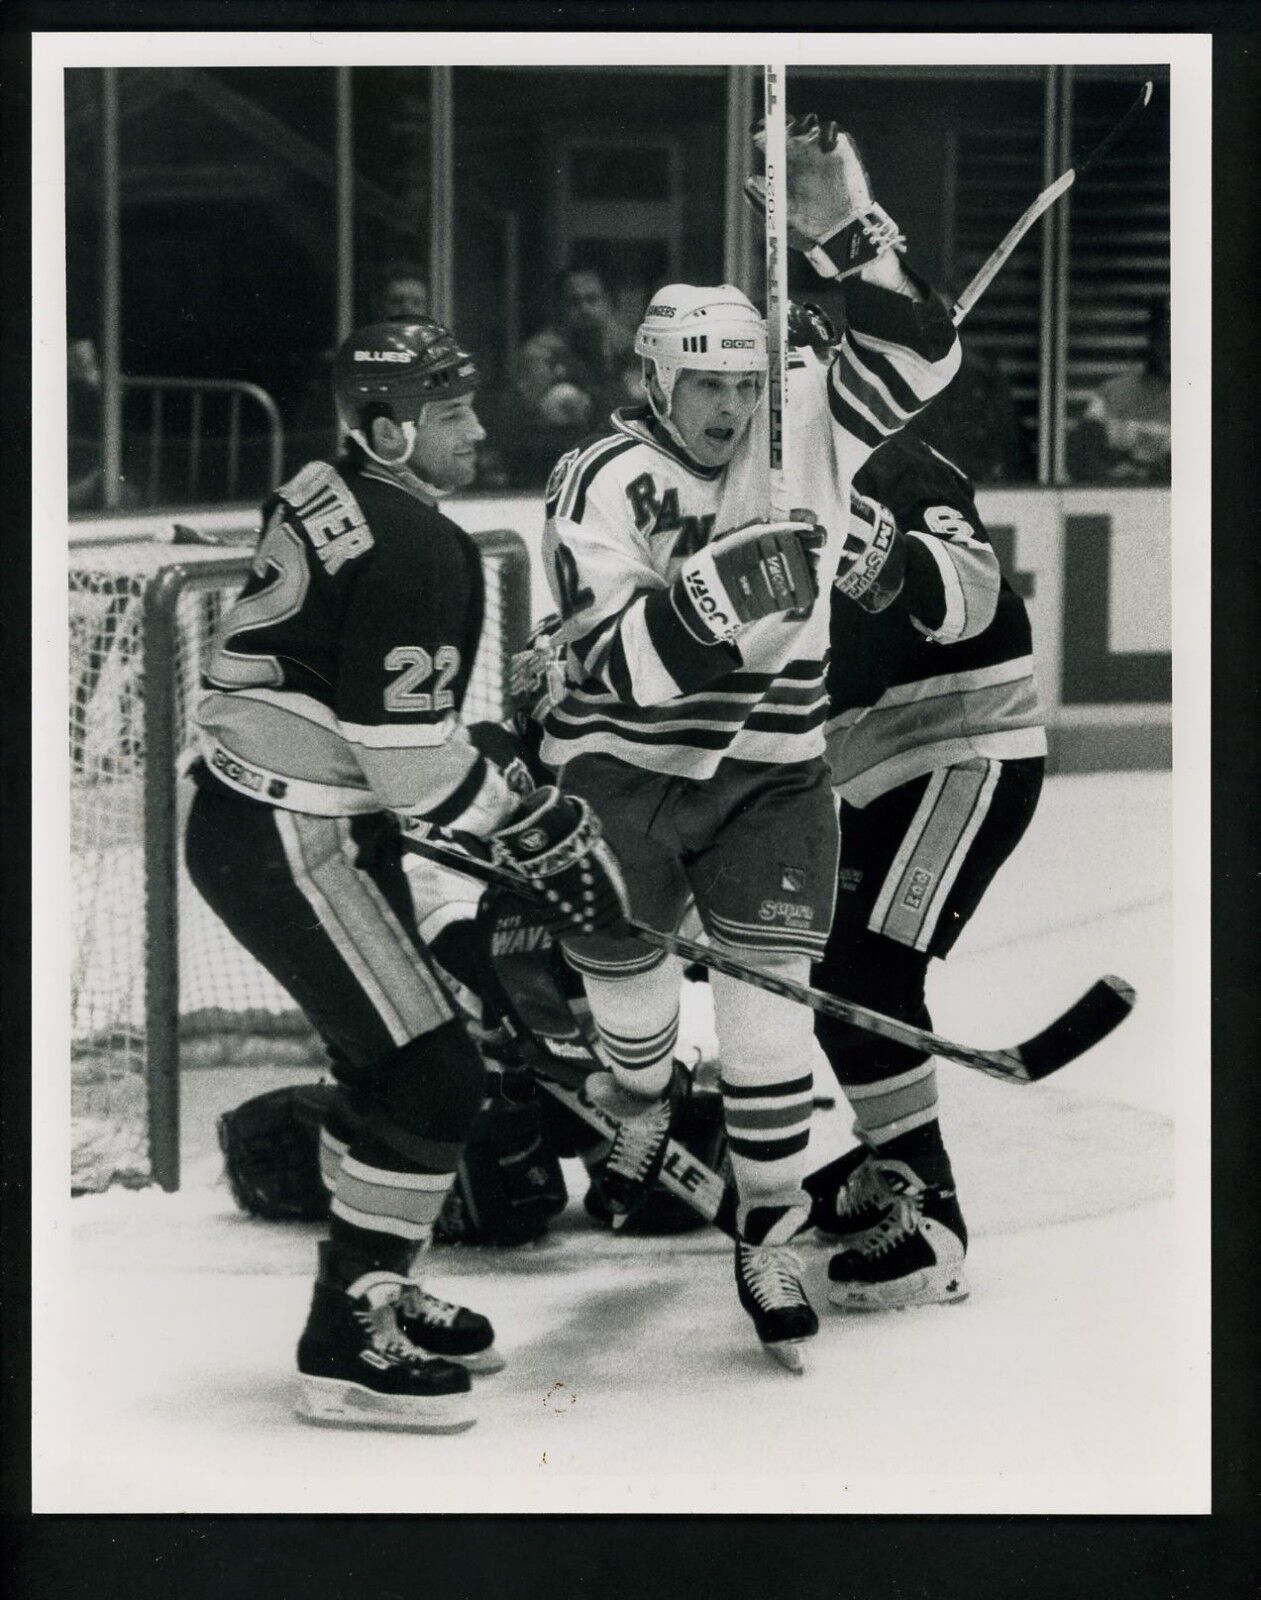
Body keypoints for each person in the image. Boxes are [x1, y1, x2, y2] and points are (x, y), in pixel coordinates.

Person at [532, 113, 961, 1368]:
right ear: (657, 380)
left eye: (743, 382)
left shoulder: (808, 419)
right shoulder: (597, 481)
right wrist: (717, 596)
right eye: (705, 384)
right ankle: (638, 1094)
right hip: (619, 786)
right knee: (641, 1038)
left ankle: (763, 1233)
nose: (729, 407)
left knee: (773, 1039)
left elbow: (925, 359)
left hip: (774, 780)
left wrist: (839, 226)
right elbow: (609, 662)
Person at [184, 316, 630, 1431]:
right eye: (450, 416)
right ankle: (347, 1343)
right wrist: (520, 828)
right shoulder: (422, 548)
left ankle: (374, 1284)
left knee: (393, 1068)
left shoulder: (327, 481)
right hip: (294, 835)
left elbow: (374, 733)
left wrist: (490, 813)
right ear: (386, 430)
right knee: (435, 1078)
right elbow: (406, 766)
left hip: (272, 814)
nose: (479, 431)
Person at [803, 423, 1046, 1309]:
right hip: (872, 763)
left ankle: (929, 1217)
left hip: (960, 753)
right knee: (836, 974)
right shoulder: (763, 469)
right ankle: (890, 1153)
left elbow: (973, 592)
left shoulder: (893, 464)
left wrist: (888, 554)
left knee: (866, 976)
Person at [491, 268, 642, 487]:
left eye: (592, 299)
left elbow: (644, 407)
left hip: (621, 470)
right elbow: (547, 413)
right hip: (555, 471)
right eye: (574, 302)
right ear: (560, 309)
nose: (584, 309)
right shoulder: (540, 353)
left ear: (609, 303)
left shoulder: (629, 348)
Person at [1066, 296, 1171, 484]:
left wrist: (1153, 475)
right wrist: (1111, 480)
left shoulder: (1205, 402)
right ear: (1151, 338)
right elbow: (1079, 454)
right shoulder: (1113, 393)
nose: (1171, 347)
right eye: (1165, 337)